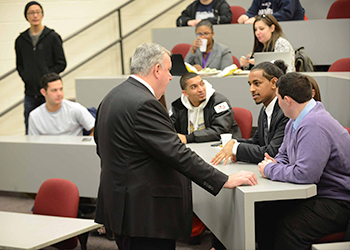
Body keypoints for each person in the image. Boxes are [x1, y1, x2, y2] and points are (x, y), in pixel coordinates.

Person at [93, 43, 257, 250]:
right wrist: (223, 179)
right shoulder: (145, 103)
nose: (171, 77)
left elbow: (100, 146)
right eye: (169, 70)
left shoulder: (111, 96)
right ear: (157, 70)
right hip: (145, 213)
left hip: (121, 206)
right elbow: (177, 153)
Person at [257, 72, 350, 250]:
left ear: (287, 99)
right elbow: (283, 154)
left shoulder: (314, 124)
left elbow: (305, 174)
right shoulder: (295, 121)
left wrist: (270, 169)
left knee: (289, 228)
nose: (277, 102)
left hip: (337, 201)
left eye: (278, 98)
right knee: (263, 214)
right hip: (317, 193)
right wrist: (276, 164)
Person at [211, 60, 289, 168]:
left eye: (257, 83)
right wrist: (233, 142)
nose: (251, 89)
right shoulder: (264, 110)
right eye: (250, 84)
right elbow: (257, 142)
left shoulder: (286, 111)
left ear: (274, 83)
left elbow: (272, 153)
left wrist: (236, 148)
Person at [15, 1, 66, 134]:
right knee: (30, 128)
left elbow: (61, 63)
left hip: (49, 93)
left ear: (42, 14)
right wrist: (27, 77)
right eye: (31, 13)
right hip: (30, 93)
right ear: (26, 16)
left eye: (37, 12)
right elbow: (19, 65)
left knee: (53, 127)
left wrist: (47, 78)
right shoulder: (20, 40)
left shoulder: (53, 37)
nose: (35, 15)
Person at [170, 72, 241, 144]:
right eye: (194, 87)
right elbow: (169, 128)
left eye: (202, 84)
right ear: (185, 93)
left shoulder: (219, 102)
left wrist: (189, 138)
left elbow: (220, 130)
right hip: (191, 147)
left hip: (220, 146)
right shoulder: (178, 106)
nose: (201, 89)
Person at [28, 72, 95, 136]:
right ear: (43, 92)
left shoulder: (75, 109)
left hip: (74, 147)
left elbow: (96, 129)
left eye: (61, 89)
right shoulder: (34, 116)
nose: (59, 94)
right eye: (54, 90)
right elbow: (32, 144)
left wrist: (85, 145)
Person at [237, 0, 305, 24]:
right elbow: (252, 12)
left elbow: (285, 14)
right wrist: (246, 16)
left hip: (289, 30)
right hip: (266, 33)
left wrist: (259, 19)